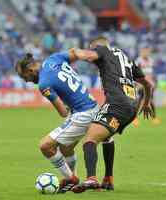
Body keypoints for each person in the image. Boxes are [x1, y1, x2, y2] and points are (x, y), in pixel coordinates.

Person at [68, 36, 154, 193]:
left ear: (96, 46)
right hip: (131, 108)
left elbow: (86, 56)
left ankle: (91, 179)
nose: (93, 51)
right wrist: (147, 102)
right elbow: (148, 84)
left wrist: (73, 51)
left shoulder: (102, 50)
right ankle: (108, 179)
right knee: (106, 136)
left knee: (90, 139)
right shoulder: (125, 58)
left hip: (117, 104)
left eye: (93, 48)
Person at [15, 51, 100, 193]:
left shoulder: (44, 83)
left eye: (26, 77)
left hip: (82, 114)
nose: (28, 81)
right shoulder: (53, 59)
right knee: (66, 148)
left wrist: (66, 104)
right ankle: (73, 180)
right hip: (92, 106)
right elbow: (74, 52)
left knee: (46, 146)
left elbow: (63, 112)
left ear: (30, 70)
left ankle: (71, 178)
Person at [135, 47, 161, 125]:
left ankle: (154, 118)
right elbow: (135, 72)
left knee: (151, 100)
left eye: (147, 52)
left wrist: (155, 82)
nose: (146, 53)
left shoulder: (151, 61)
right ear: (141, 52)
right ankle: (134, 118)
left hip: (150, 84)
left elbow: (153, 73)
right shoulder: (138, 61)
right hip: (142, 84)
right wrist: (137, 83)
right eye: (144, 52)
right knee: (139, 100)